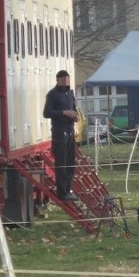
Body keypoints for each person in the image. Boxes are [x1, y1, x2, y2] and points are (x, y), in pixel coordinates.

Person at [43, 70, 78, 201]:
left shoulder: (70, 93)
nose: (65, 81)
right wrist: (64, 112)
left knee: (70, 161)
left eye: (67, 79)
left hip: (70, 129)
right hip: (59, 131)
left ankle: (69, 189)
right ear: (58, 80)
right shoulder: (53, 94)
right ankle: (62, 192)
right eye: (63, 79)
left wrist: (75, 116)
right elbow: (46, 113)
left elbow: (73, 108)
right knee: (61, 162)